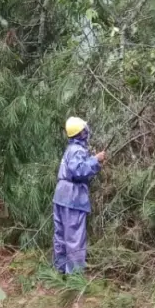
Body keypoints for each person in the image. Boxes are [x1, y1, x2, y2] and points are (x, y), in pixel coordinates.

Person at [53, 117, 105, 274]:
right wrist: (96, 160)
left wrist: (92, 161)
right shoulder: (77, 150)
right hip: (73, 198)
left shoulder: (70, 149)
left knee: (61, 236)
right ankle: (75, 277)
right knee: (74, 237)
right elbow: (79, 171)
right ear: (82, 133)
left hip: (60, 195)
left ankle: (60, 272)